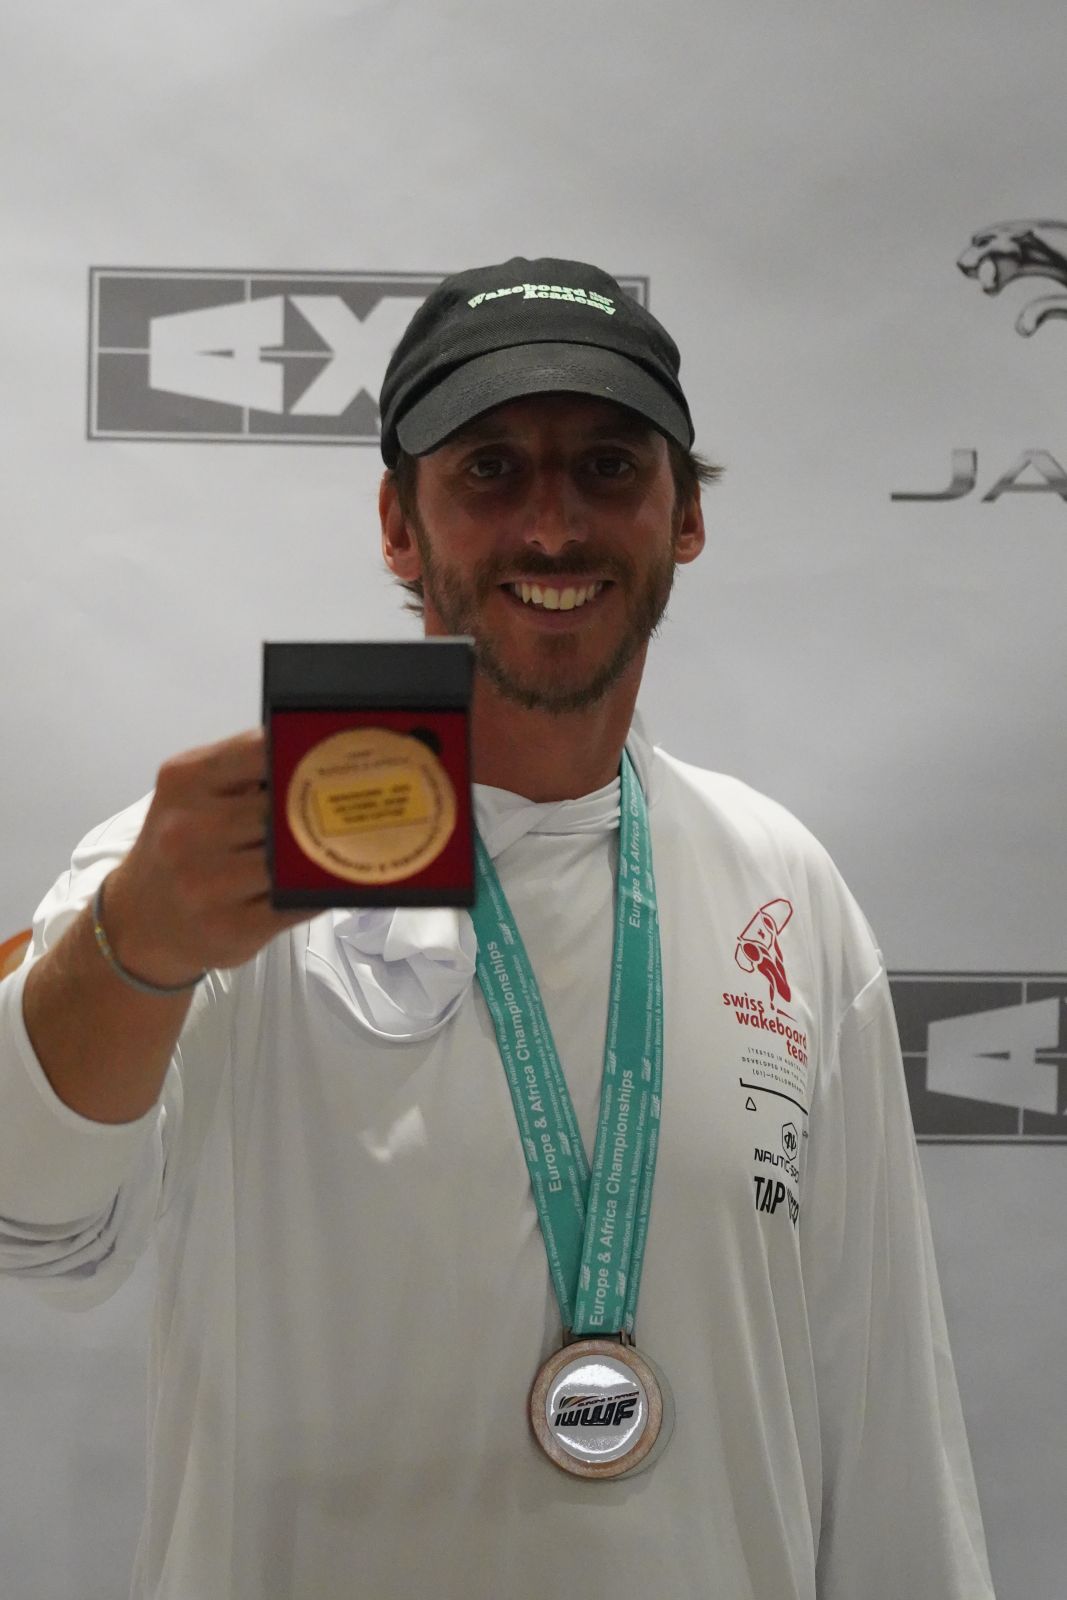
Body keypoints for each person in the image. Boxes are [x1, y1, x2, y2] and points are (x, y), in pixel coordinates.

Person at [0, 256, 995, 1600]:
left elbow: (882, 1421)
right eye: (489, 471)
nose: (552, 528)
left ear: (686, 517)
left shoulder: (782, 884)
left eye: (607, 468)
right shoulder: (208, 864)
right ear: (398, 527)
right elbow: (36, 1229)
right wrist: (133, 949)